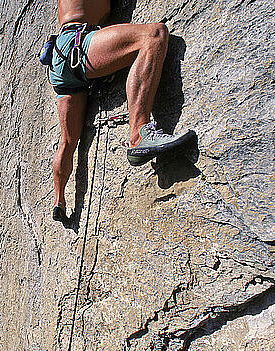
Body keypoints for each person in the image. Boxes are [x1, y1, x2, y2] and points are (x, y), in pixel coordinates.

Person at [48, 0, 194, 222]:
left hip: (60, 59)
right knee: (153, 35)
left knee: (67, 141)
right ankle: (139, 136)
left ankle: (59, 200)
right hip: (79, 45)